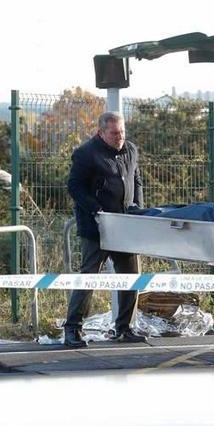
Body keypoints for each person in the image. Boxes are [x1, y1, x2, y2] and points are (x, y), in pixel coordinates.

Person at [64, 111, 146, 347]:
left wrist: (137, 208)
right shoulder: (85, 154)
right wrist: (96, 210)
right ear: (101, 132)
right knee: (88, 277)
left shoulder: (131, 150)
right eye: (114, 133)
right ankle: (72, 329)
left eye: (122, 132)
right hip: (96, 227)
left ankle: (125, 328)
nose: (119, 137)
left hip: (125, 226)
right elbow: (75, 187)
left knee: (131, 276)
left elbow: (136, 179)